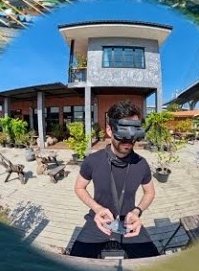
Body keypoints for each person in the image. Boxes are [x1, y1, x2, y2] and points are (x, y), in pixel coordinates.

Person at [68, 100, 160, 259]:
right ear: (110, 130)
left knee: (152, 260)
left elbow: (149, 193)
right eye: (123, 135)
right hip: (99, 220)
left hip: (129, 221)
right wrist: (97, 209)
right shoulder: (93, 160)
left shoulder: (141, 164)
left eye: (133, 135)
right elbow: (79, 188)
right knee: (76, 260)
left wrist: (137, 211)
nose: (129, 141)